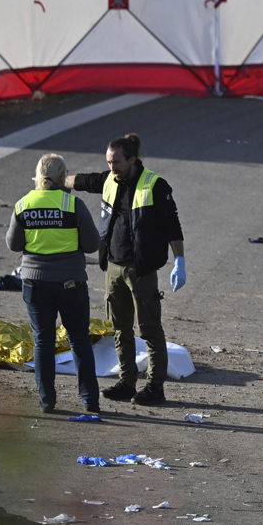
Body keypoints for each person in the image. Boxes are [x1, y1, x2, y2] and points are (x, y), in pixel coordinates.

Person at [67, 133, 185, 406]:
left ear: (132, 160)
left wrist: (180, 260)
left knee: (150, 330)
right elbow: (81, 181)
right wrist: (52, 179)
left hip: (140, 271)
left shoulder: (155, 185)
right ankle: (126, 381)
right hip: (113, 267)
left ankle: (155, 388)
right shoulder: (109, 179)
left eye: (117, 162)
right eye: (109, 162)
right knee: (120, 328)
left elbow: (173, 225)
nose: (112, 168)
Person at [7, 153, 101, 414]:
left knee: (43, 341)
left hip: (36, 285)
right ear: (64, 177)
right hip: (71, 284)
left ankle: (47, 401)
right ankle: (90, 400)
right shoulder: (74, 205)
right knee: (79, 340)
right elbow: (93, 244)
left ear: (37, 176)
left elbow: (14, 245)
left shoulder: (23, 204)